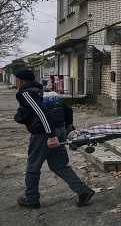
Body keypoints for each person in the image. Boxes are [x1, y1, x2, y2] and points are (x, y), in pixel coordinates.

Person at [13, 69, 95, 209]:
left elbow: (41, 113)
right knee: (59, 165)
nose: (16, 82)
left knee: (33, 166)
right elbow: (68, 110)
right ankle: (83, 191)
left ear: (20, 80)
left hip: (43, 134)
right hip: (60, 129)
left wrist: (51, 136)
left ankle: (31, 199)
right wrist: (69, 130)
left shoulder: (25, 93)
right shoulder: (46, 91)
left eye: (16, 80)